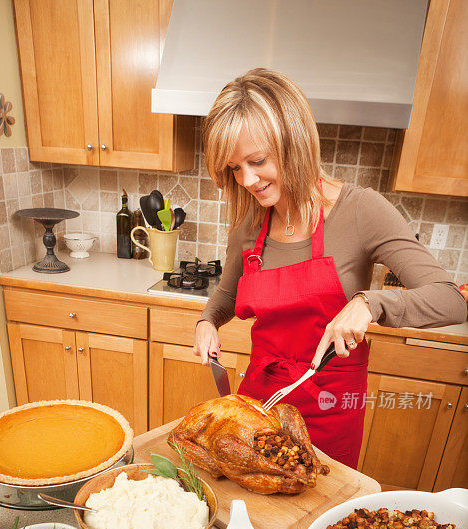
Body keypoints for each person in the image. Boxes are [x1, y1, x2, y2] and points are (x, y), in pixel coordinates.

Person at [193, 68, 466, 469]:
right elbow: (228, 295)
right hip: (259, 401)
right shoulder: (251, 222)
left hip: (329, 408)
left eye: (257, 160)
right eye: (235, 168)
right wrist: (207, 321)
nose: (247, 179)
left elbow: (452, 301)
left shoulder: (361, 211)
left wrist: (369, 304)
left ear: (295, 142)